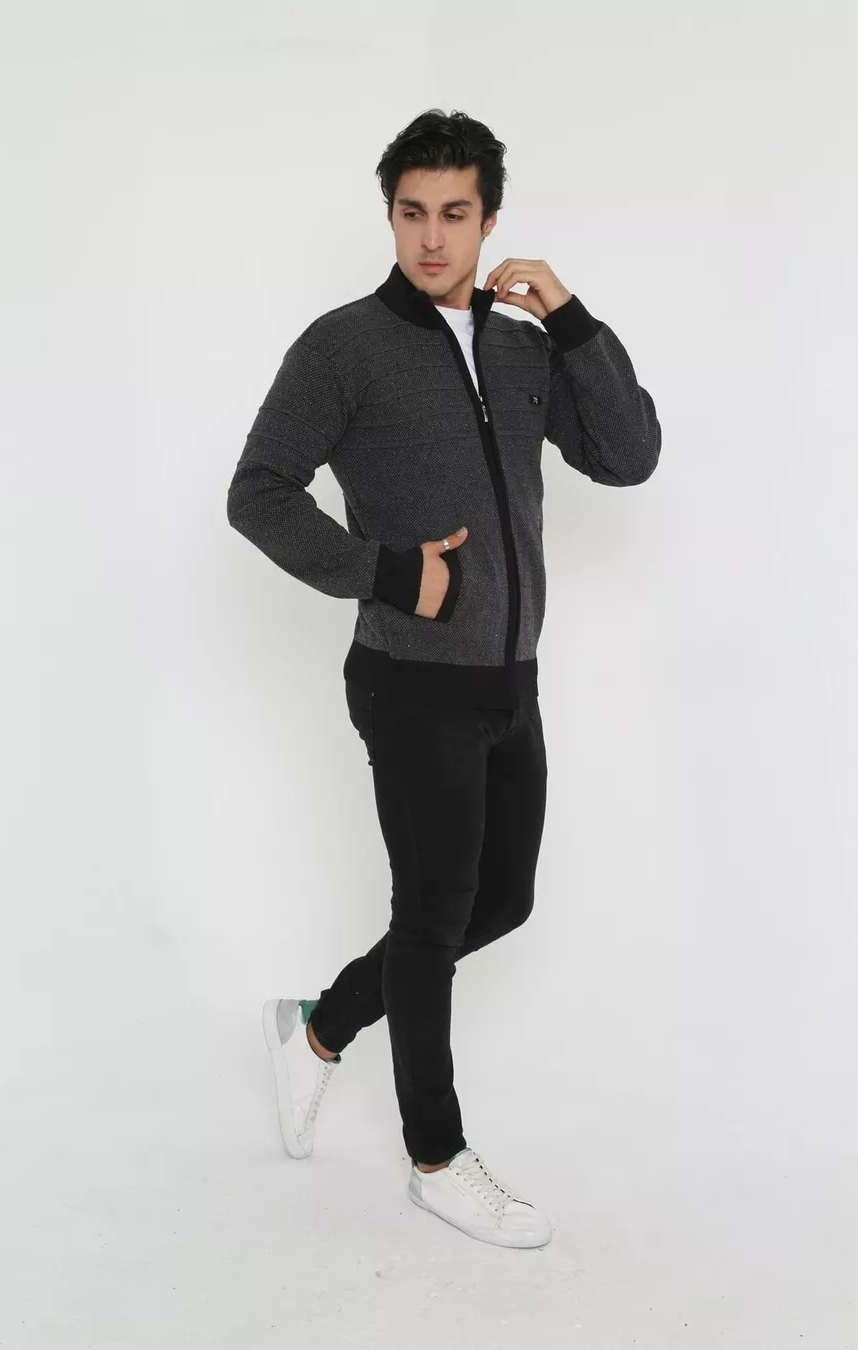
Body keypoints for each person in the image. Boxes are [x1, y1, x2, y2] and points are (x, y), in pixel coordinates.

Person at [228, 108, 662, 1249]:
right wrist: (384, 570)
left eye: (454, 214)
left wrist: (572, 320)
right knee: (428, 919)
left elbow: (629, 456)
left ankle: (317, 1027)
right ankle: (435, 1157)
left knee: (499, 902)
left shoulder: (524, 349)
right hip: (409, 677)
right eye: (412, 212)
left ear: (489, 220)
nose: (431, 237)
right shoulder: (344, 346)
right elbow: (258, 491)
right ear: (390, 216)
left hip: (510, 677)